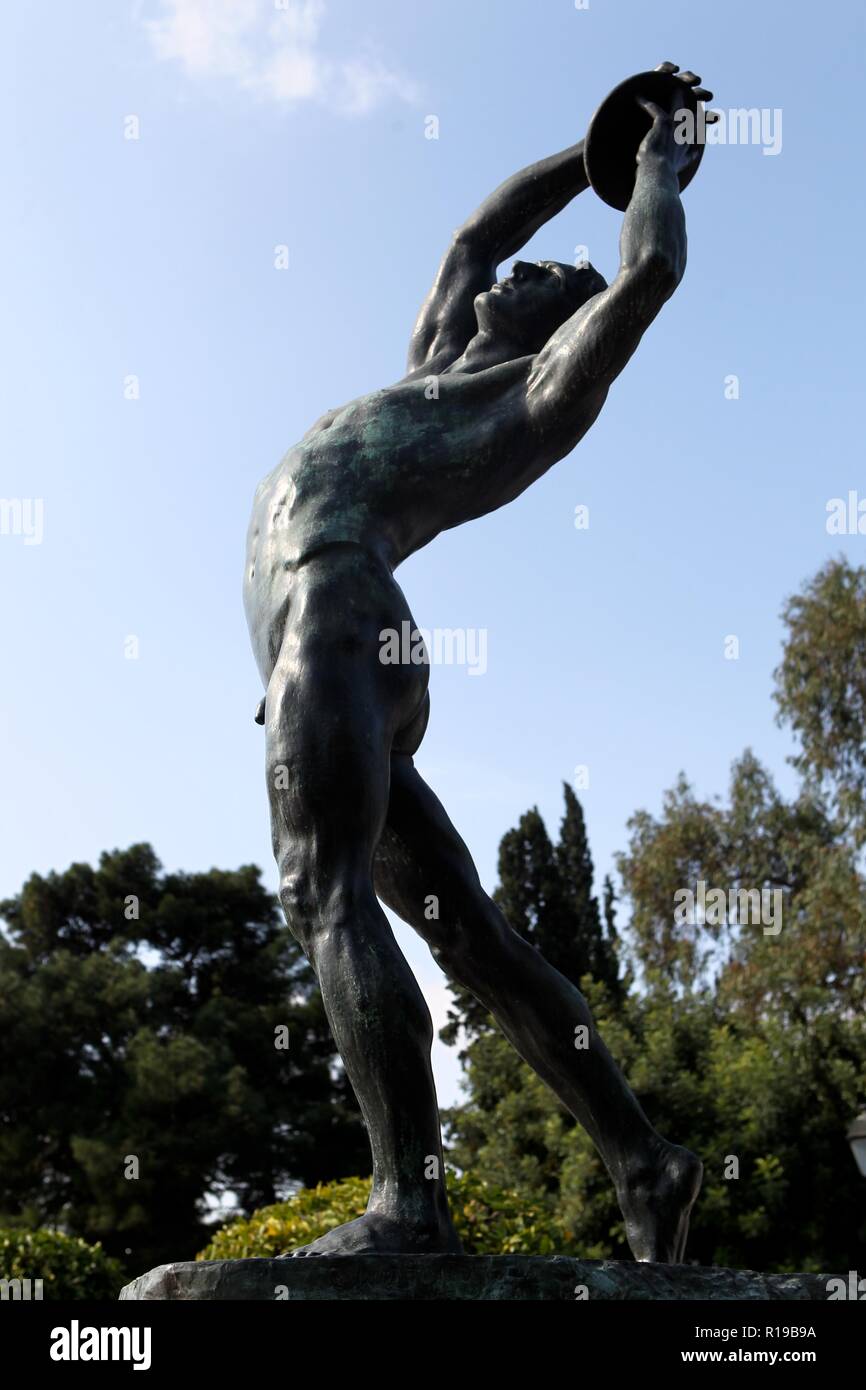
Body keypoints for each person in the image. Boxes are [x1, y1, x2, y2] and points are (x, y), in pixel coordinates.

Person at [244, 64, 710, 1260]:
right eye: (533, 266)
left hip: (339, 613)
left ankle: (411, 1203)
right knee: (474, 936)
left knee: (324, 892)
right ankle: (643, 1159)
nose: (526, 270)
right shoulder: (431, 359)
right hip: (343, 641)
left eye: (552, 277)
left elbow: (645, 271)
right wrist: (592, 148)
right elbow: (474, 234)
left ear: (560, 318)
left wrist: (652, 169)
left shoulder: (530, 396)